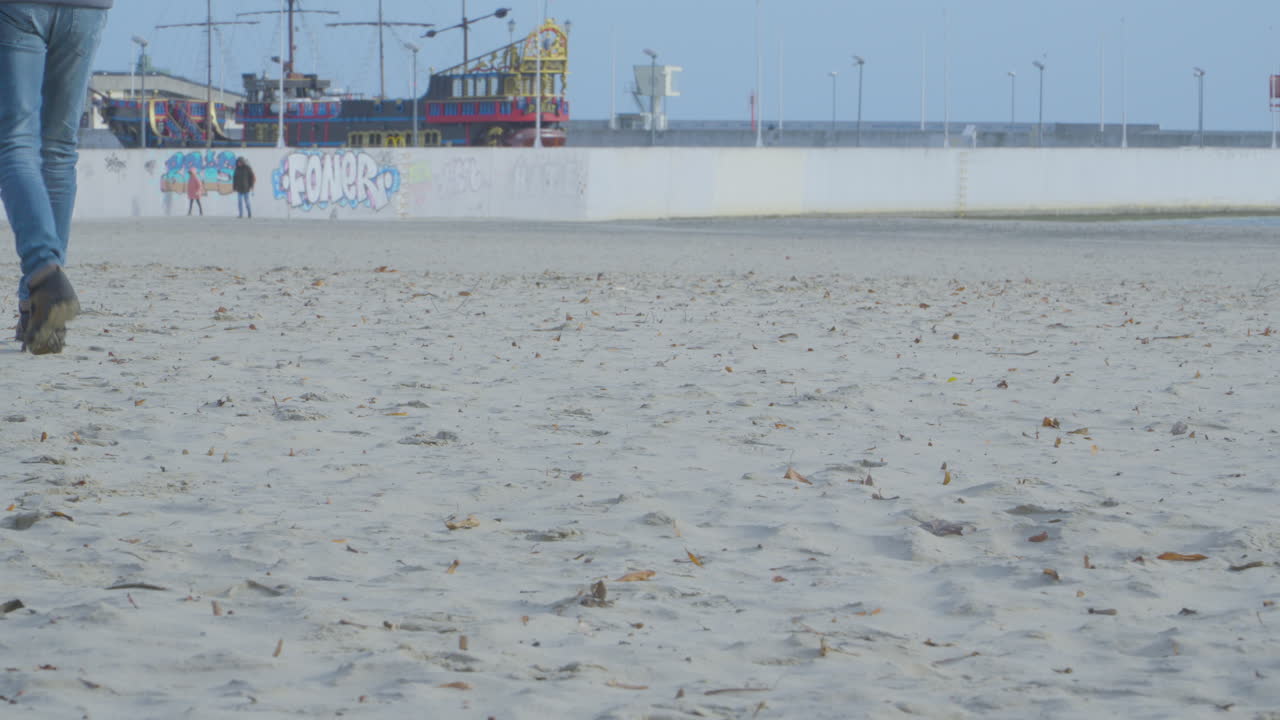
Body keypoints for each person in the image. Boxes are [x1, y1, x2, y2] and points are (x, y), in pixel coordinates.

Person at [0, 0, 112, 355]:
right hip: (87, 8)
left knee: (16, 142)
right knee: (60, 151)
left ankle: (43, 274)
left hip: (20, 7)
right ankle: (34, 307)